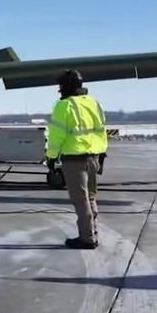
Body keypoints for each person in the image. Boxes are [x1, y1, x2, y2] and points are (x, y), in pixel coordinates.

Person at [46, 70, 108, 249]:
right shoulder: (93, 102)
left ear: (65, 86)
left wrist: (51, 157)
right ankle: (92, 233)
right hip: (93, 157)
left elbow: (57, 135)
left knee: (81, 200)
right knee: (90, 197)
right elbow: (102, 130)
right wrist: (102, 153)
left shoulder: (64, 105)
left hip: (74, 160)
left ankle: (87, 239)